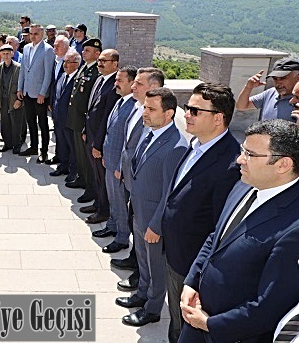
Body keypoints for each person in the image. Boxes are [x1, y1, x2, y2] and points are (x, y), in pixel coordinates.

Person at [179, 119, 299, 342]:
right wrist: (191, 281)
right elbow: (217, 236)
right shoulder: (244, 183)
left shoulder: (294, 227)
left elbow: (268, 306)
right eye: (243, 150)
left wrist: (211, 324)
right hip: (196, 320)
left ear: (283, 165)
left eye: (250, 155)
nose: (239, 159)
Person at [160, 82, 241, 343]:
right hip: (175, 253)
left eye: (195, 111)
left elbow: (221, 227)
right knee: (175, 318)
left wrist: (197, 276)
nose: (187, 115)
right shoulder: (197, 143)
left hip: (192, 265)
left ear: (218, 118)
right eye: (187, 108)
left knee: (186, 326)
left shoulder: (230, 163)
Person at [116, 88, 188, 328]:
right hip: (139, 211)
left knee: (156, 266)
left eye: (151, 109)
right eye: (145, 107)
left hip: (154, 220)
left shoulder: (176, 146)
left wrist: (156, 225)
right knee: (143, 260)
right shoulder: (150, 133)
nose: (144, 113)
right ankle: (142, 294)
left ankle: (152, 308)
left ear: (169, 114)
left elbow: (170, 194)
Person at [113, 67, 168, 291]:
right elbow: (129, 146)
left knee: (143, 231)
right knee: (133, 224)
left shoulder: (156, 120)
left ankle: (141, 276)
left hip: (143, 187)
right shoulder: (138, 108)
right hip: (130, 178)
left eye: (139, 84)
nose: (133, 86)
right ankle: (134, 260)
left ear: (154, 88)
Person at [92, 67, 137, 252]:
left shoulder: (134, 107)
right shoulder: (120, 101)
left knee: (120, 201)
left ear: (131, 83)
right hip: (110, 160)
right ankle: (112, 226)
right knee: (112, 198)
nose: (116, 83)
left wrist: (119, 165)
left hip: (119, 166)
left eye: (120, 81)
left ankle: (122, 236)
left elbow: (129, 143)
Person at [82, 49, 121, 225]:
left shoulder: (114, 86)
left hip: (99, 140)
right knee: (96, 175)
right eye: (99, 60)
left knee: (102, 177)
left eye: (104, 60)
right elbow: (91, 109)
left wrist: (98, 145)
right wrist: (85, 129)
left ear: (115, 63)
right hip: (90, 135)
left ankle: (104, 210)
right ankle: (98, 203)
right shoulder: (99, 79)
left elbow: (106, 118)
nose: (100, 63)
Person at [65, 38, 101, 194]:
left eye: (87, 51)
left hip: (84, 121)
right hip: (76, 119)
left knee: (87, 158)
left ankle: (90, 188)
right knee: (79, 155)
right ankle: (81, 179)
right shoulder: (84, 67)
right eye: (84, 50)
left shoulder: (96, 72)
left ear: (97, 53)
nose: (83, 52)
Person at [17, 24, 55, 163]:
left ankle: (43, 152)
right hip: (27, 91)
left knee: (43, 123)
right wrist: (20, 88)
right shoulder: (26, 48)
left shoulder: (48, 50)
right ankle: (33, 146)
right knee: (30, 121)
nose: (33, 36)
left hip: (39, 94)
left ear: (42, 34)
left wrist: (42, 93)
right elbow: (23, 70)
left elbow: (47, 74)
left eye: (36, 34)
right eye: (31, 34)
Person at [50, 48, 80, 179]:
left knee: (72, 147)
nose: (65, 64)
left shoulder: (79, 79)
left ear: (77, 64)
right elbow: (56, 94)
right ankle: (62, 166)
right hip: (58, 118)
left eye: (69, 62)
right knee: (61, 144)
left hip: (70, 120)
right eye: (65, 61)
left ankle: (73, 172)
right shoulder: (62, 76)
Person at [48, 37, 72, 176]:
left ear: (66, 47)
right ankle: (58, 156)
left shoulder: (69, 62)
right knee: (58, 134)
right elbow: (55, 84)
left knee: (64, 137)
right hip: (56, 105)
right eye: (54, 46)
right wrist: (51, 102)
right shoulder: (56, 61)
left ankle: (65, 164)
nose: (54, 48)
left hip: (65, 110)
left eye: (58, 46)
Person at [0, 44, 24, 154]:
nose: (6, 56)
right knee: (5, 123)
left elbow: (23, 85)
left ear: (12, 54)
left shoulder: (19, 67)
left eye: (8, 53)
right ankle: (7, 144)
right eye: (3, 54)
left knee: (16, 123)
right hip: (3, 99)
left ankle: (17, 145)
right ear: (0, 55)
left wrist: (20, 100)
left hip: (15, 99)